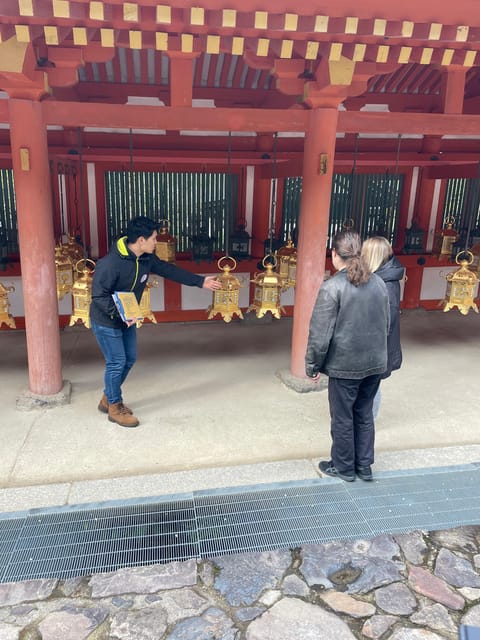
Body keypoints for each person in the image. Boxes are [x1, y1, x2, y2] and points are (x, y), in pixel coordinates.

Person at [90, 216, 222, 428]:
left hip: (127, 319)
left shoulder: (146, 258)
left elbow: (169, 270)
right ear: (141, 240)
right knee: (116, 362)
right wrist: (119, 313)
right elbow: (98, 297)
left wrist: (200, 281)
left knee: (130, 359)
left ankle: (108, 398)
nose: (156, 242)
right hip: (106, 320)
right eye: (153, 238)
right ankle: (114, 406)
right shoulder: (109, 264)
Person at [305, 230, 390, 482]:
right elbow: (386, 324)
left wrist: (313, 365)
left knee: (342, 418)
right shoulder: (378, 283)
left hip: (345, 365)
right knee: (364, 414)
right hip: (374, 362)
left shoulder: (332, 288)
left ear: (334, 254)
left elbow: (320, 334)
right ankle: (364, 466)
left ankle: (343, 467)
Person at [361, 236, 404, 419]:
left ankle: (368, 420)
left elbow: (387, 320)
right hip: (372, 344)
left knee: (371, 385)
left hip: (377, 346)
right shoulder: (381, 277)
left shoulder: (386, 284)